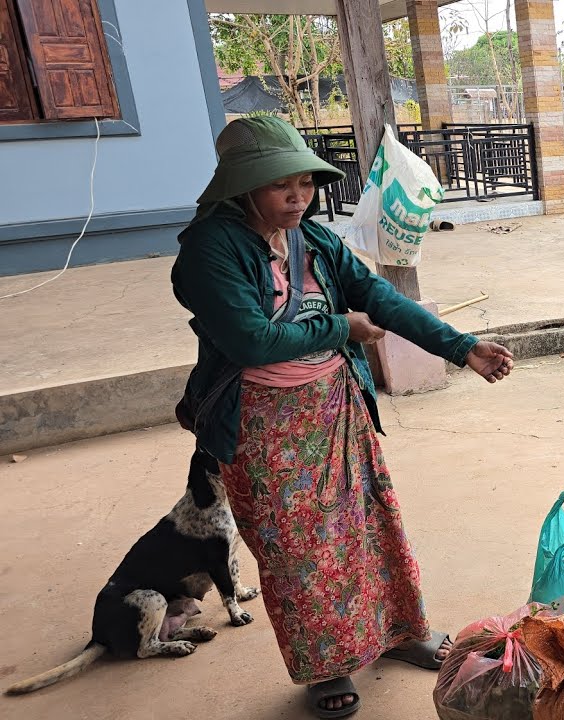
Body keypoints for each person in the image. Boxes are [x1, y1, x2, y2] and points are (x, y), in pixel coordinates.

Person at [172, 116, 515, 718]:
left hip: (335, 408)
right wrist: (340, 328)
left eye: (304, 182)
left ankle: (401, 631)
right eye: (280, 184)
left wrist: (462, 348)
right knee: (297, 553)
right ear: (243, 187)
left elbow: (379, 297)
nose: (297, 196)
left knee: (368, 524)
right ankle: (327, 666)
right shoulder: (209, 251)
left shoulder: (316, 239)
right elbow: (251, 341)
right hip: (261, 428)